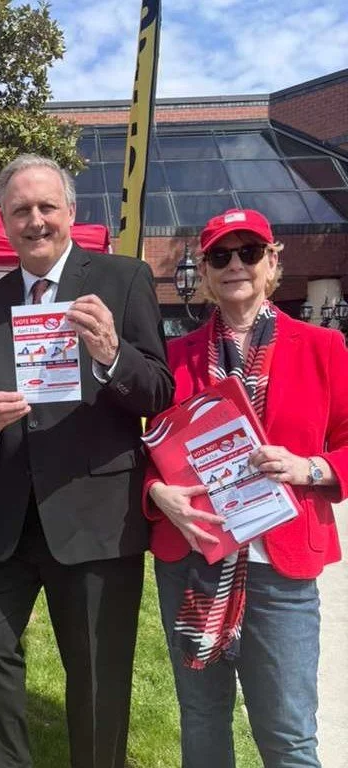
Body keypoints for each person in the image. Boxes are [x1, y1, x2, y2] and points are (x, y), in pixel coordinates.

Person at [0, 154, 174, 768]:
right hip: (8, 517)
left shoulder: (123, 279)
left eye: (46, 206)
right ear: (4, 221)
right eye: (20, 209)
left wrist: (111, 355)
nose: (35, 220)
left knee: (99, 673)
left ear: (71, 213)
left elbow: (158, 389)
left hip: (95, 512)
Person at [145, 208, 348, 767]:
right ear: (206, 272)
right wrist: (156, 492)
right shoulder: (175, 356)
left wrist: (310, 467)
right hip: (192, 559)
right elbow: (148, 446)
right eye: (220, 255)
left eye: (249, 252)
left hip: (279, 567)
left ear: (272, 262)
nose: (235, 264)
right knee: (203, 718)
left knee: (286, 734)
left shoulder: (321, 348)